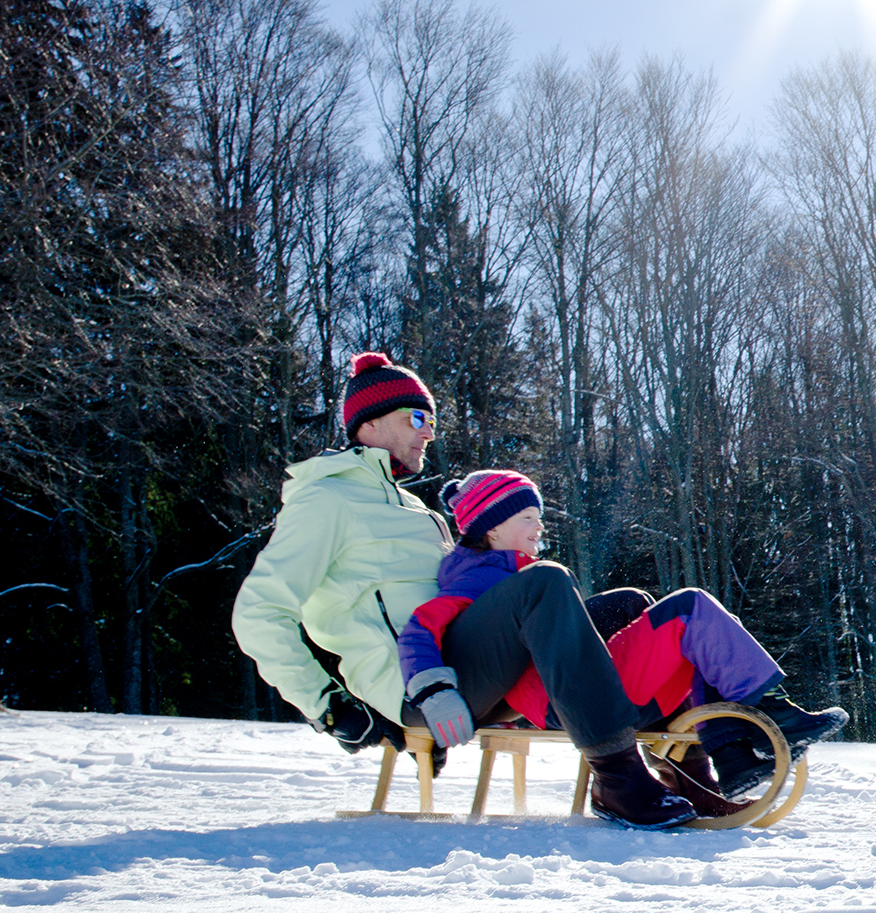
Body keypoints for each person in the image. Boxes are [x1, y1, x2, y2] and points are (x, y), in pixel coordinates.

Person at [229, 352, 833, 830]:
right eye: (418, 418)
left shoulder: (415, 511)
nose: (429, 433)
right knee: (544, 583)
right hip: (420, 681)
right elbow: (259, 613)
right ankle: (617, 776)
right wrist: (330, 706)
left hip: (475, 666)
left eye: (432, 421)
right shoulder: (327, 498)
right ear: (371, 422)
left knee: (629, 605)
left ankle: (686, 767)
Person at [395, 468, 843, 808]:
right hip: (565, 698)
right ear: (491, 528)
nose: (539, 527)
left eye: (540, 518)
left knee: (651, 615)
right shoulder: (475, 579)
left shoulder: (514, 573)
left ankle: (723, 761)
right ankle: (769, 713)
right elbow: (418, 631)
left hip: (573, 690)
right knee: (689, 610)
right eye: (528, 517)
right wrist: (434, 692)